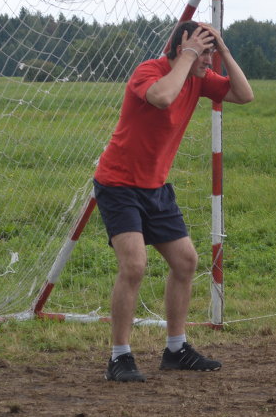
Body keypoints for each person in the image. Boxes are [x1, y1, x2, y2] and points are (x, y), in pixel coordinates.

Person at [95, 21, 254, 382]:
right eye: (204, 50)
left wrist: (224, 52)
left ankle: (176, 349)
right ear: (184, 44)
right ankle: (120, 357)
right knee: (134, 265)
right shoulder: (149, 71)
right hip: (118, 184)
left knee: (185, 261)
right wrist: (190, 54)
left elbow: (244, 96)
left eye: (212, 52)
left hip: (156, 187)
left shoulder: (200, 76)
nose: (208, 59)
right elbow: (162, 96)